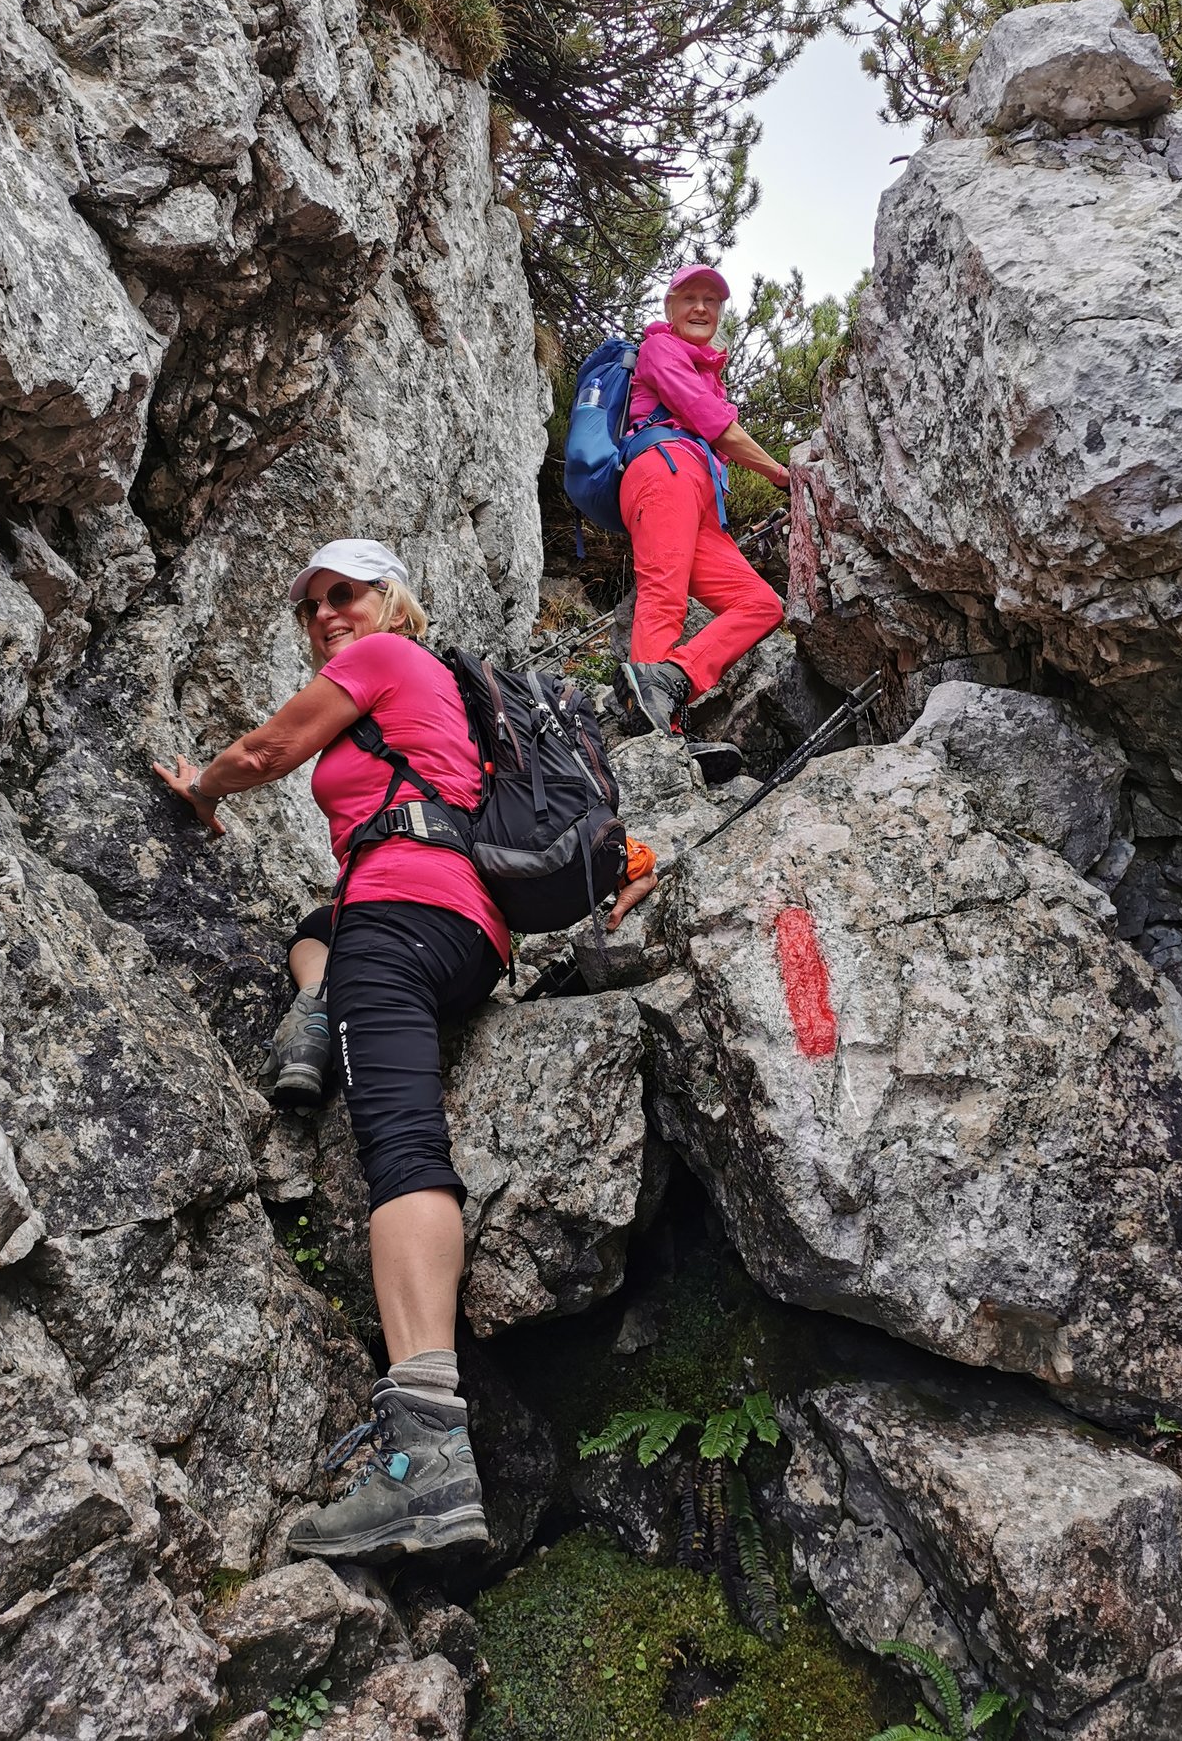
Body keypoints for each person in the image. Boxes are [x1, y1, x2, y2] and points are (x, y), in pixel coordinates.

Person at [153, 538, 655, 1565]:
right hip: (465, 935)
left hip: (399, 914)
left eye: (345, 593)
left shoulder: (385, 658)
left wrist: (201, 789)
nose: (326, 615)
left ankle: (425, 1452)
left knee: (402, 1150)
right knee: (314, 930)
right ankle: (316, 1005)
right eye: (311, 606)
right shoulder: (448, 693)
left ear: (391, 599)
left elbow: (267, 751)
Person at [616, 264, 789, 772]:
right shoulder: (660, 349)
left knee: (761, 604)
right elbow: (712, 424)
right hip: (664, 471)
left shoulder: (705, 370)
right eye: (689, 297)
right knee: (663, 595)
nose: (700, 307)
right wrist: (781, 474)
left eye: (710, 300)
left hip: (701, 498)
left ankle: (672, 682)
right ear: (669, 308)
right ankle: (660, 732)